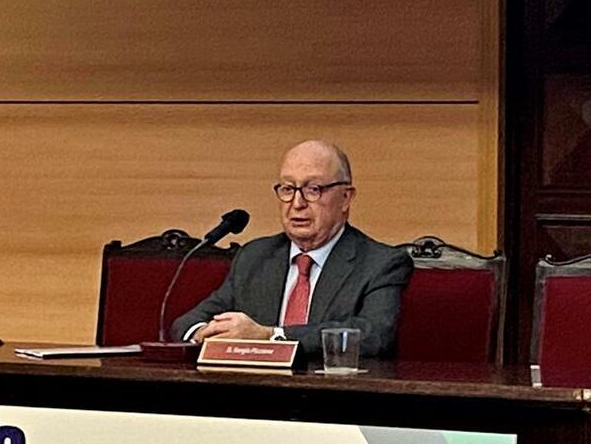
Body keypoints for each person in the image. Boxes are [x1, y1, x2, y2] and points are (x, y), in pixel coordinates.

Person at [171, 140, 412, 357]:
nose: (297, 204)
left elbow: (375, 335)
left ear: (346, 198)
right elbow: (187, 323)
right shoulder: (255, 257)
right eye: (288, 189)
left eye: (313, 189)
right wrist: (204, 333)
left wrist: (272, 336)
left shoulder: (380, 263)